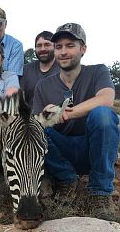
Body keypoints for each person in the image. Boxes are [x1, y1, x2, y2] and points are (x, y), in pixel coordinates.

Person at [33, 23, 120, 220]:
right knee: (36, 128)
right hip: (60, 152)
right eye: (58, 47)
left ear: (83, 49)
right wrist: (46, 115)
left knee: (104, 115)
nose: (63, 52)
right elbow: (35, 125)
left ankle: (100, 192)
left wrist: (66, 113)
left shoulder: (98, 71)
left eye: (70, 45)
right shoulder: (43, 85)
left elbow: (106, 99)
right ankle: (67, 179)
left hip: (92, 148)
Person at [20, 31, 59, 107]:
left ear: (55, 47)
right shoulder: (25, 70)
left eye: (47, 44)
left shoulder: (63, 70)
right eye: (39, 45)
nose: (42, 49)